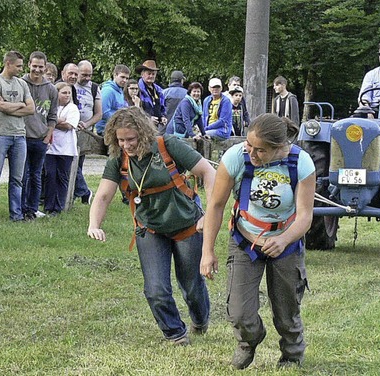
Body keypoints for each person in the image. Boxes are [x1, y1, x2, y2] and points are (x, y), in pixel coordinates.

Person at [88, 106, 216, 346]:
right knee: (156, 289)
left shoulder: (167, 145)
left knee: (191, 285)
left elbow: (208, 173)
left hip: (187, 225)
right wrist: (94, 224)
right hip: (150, 228)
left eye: (131, 139)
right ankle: (175, 333)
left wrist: (208, 214)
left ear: (143, 133)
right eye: (121, 140)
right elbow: (104, 196)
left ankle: (200, 319)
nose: (126, 145)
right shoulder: (118, 158)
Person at [200, 113, 315, 369]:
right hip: (246, 241)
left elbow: (305, 216)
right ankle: (249, 341)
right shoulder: (235, 158)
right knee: (239, 312)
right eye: (249, 145)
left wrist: (284, 240)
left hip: (287, 243)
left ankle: (292, 354)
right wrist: (207, 251)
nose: (251, 153)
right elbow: (216, 206)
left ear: (279, 148)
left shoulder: (301, 163)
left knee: (287, 310)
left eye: (260, 150)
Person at [0, 50, 34, 222]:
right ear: (8, 64)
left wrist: (10, 105)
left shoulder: (22, 84)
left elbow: (31, 109)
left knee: (17, 179)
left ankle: (16, 215)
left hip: (19, 136)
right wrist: (19, 105)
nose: (21, 69)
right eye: (18, 66)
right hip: (0, 135)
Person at [22, 51, 58, 221]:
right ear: (29, 64)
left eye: (40, 67)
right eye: (34, 66)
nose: (37, 70)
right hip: (22, 136)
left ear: (45, 67)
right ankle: (19, 208)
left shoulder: (51, 89)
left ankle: (32, 208)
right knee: (21, 175)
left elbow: (52, 116)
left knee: (36, 175)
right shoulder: (20, 84)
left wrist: (47, 136)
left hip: (40, 138)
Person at [45, 82, 79, 215]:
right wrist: (59, 120)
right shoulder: (52, 107)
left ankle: (58, 207)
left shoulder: (73, 108)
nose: (67, 95)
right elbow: (44, 120)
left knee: (62, 177)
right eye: (64, 92)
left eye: (69, 93)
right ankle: (48, 206)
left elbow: (69, 125)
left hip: (66, 149)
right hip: (50, 148)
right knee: (50, 176)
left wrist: (53, 122)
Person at [73, 60, 102, 205]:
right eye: (84, 75)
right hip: (68, 130)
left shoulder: (94, 88)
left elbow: (99, 114)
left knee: (78, 165)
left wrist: (86, 124)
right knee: (69, 163)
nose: (87, 78)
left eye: (90, 75)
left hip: (85, 132)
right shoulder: (69, 84)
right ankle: (83, 191)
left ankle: (75, 192)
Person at [95, 64, 130, 135]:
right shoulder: (108, 91)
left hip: (117, 128)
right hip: (105, 130)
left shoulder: (120, 91)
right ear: (115, 75)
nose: (125, 80)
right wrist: (121, 119)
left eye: (127, 78)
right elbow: (104, 112)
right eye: (122, 77)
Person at [136, 60, 167, 133]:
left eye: (153, 74)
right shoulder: (137, 89)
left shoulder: (159, 90)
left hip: (155, 129)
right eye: (149, 74)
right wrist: (148, 118)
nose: (151, 76)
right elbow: (136, 111)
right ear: (142, 74)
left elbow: (163, 107)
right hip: (141, 128)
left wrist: (163, 117)